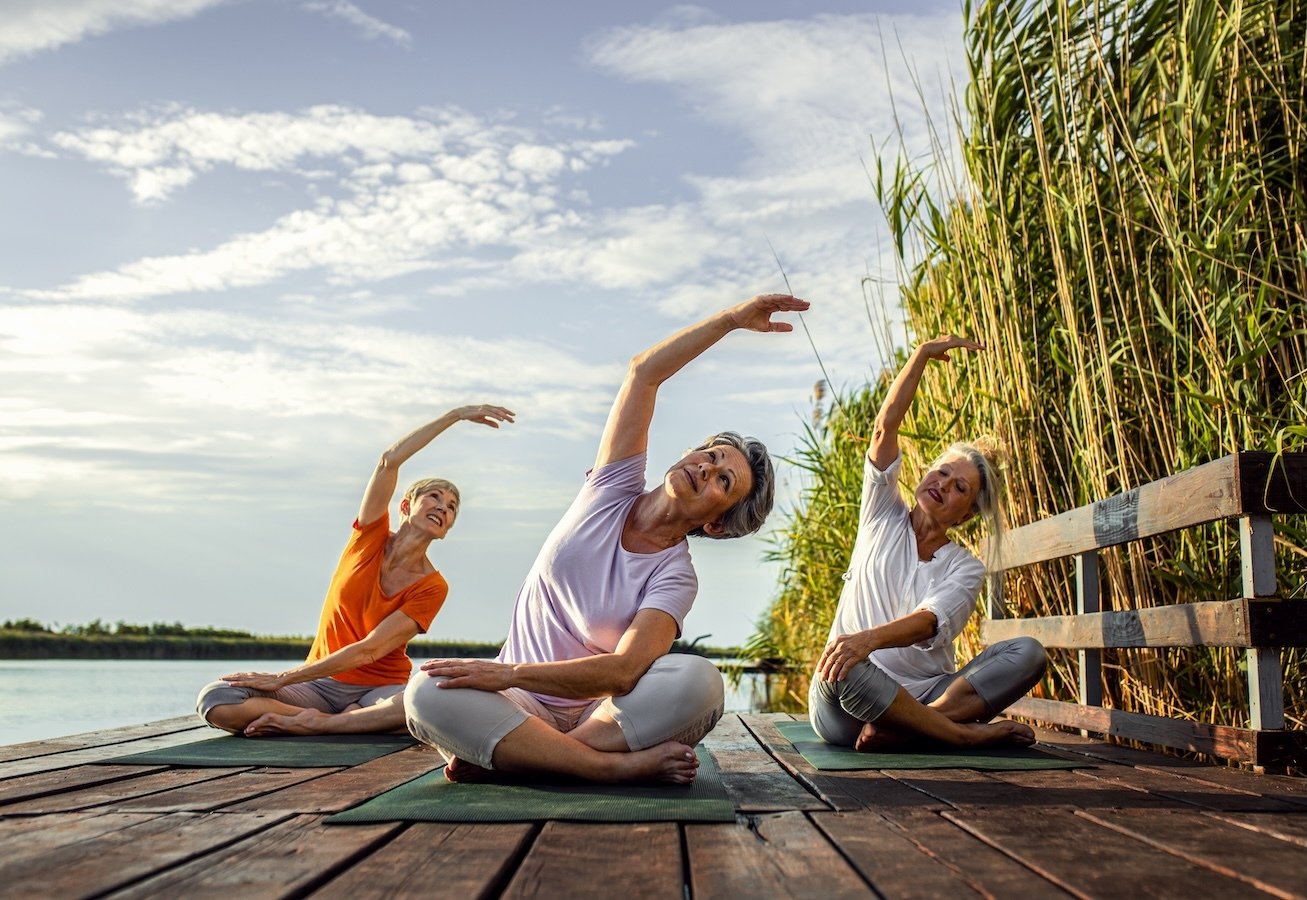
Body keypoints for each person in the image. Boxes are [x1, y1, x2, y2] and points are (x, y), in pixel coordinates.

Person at [405, 294, 809, 784]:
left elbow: (624, 672)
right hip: (518, 705)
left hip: (602, 717)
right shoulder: (611, 487)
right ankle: (599, 769)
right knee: (423, 692)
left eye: (724, 481)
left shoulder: (675, 576)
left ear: (718, 524)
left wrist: (507, 673)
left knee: (701, 682)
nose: (708, 468)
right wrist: (729, 321)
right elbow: (643, 373)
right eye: (712, 455)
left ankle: (534, 756)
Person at [194, 404, 515, 737]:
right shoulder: (369, 537)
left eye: (451, 508)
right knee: (217, 700)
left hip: (378, 690)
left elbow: (371, 649)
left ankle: (324, 724)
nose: (442, 507)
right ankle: (338, 721)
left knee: (421, 702)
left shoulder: (433, 586)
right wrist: (455, 415)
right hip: (316, 685)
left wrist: (280, 679)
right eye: (434, 497)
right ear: (405, 506)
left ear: (447, 529)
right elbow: (389, 461)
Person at [808, 335, 1046, 751]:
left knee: (1028, 654)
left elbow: (929, 622)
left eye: (959, 488)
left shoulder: (965, 566)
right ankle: (955, 734)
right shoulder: (882, 512)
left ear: (967, 514)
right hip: (848, 700)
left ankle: (908, 728)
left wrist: (868, 638)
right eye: (940, 472)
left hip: (928, 693)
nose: (942, 485)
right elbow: (886, 426)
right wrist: (920, 354)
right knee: (847, 666)